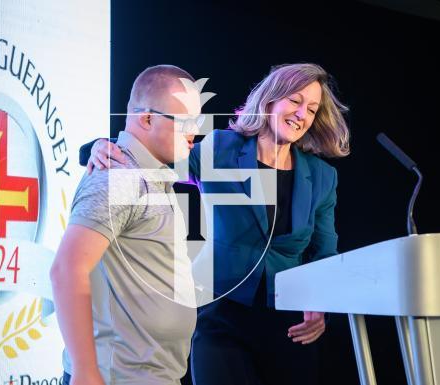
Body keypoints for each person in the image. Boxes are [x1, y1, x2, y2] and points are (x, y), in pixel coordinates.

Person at [87, 63, 350, 384]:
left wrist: (318, 301)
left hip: (290, 327)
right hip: (221, 320)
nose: (302, 114)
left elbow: (325, 251)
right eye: (295, 101)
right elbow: (154, 155)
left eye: (311, 109)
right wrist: (103, 144)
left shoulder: (323, 176)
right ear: (270, 100)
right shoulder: (221, 149)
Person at [50, 64, 205, 385]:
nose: (195, 132)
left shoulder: (154, 173)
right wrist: (85, 370)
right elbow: (66, 270)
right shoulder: (118, 176)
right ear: (147, 118)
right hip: (116, 376)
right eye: (186, 122)